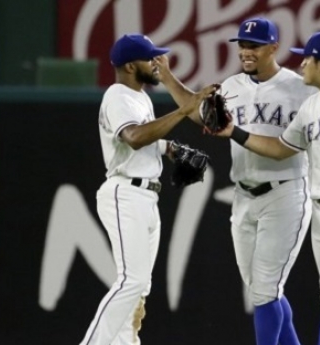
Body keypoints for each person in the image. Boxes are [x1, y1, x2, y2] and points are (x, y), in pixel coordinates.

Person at [154, 19, 320, 345]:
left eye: (253, 45)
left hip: (289, 193)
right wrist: (169, 79)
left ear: (272, 47)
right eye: (241, 44)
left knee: (278, 289)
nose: (245, 51)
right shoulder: (234, 86)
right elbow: (204, 115)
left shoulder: (300, 86)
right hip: (246, 195)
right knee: (268, 289)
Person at [79, 33, 215, 345]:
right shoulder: (117, 95)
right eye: (149, 58)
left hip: (145, 196)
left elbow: (146, 140)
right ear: (129, 65)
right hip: (125, 192)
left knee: (139, 289)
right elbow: (135, 137)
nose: (156, 63)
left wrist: (172, 150)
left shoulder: (140, 97)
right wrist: (182, 111)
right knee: (132, 281)